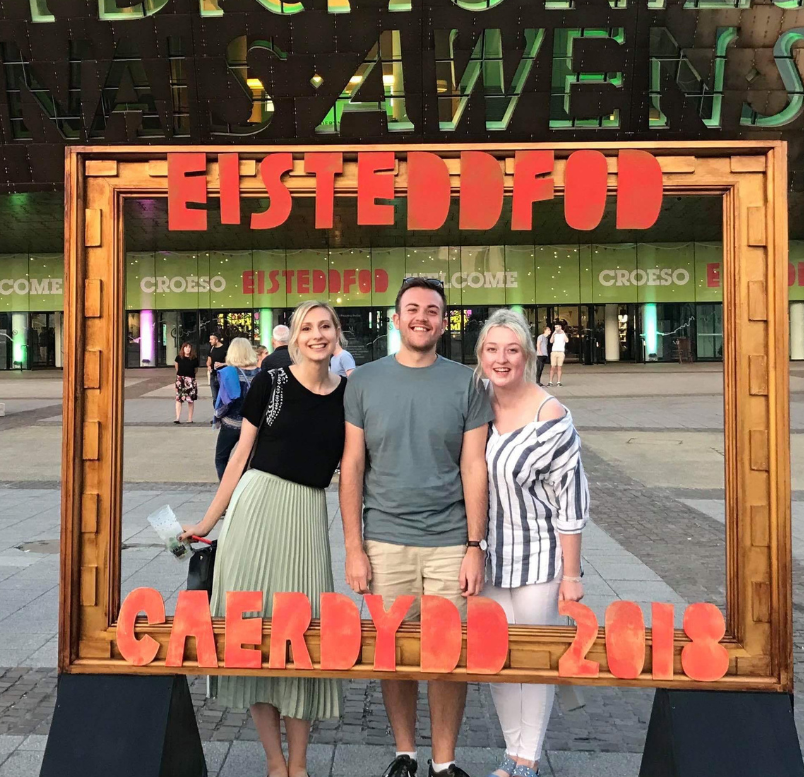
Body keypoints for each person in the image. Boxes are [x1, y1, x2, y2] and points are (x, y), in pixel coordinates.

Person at [181, 301, 348, 777]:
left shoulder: (348, 396)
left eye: (325, 326)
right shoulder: (269, 384)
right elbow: (239, 457)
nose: (317, 335)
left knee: (303, 636)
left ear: (336, 335)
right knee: (253, 631)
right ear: (293, 337)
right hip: (255, 511)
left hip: (308, 516)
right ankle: (276, 763)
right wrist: (210, 520)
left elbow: (356, 467)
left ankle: (299, 764)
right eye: (307, 328)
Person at [341, 276, 491, 777]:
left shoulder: (467, 382)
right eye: (412, 308)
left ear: (443, 321)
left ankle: (443, 761)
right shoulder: (363, 381)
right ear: (395, 319)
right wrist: (353, 547)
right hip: (383, 540)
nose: (421, 317)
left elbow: (474, 466)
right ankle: (404, 753)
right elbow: (353, 466)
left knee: (448, 656)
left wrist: (475, 545)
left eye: (432, 310)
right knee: (395, 654)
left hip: (450, 540)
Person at [475, 310, 589, 777]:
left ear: (528, 355)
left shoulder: (552, 418)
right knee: (496, 658)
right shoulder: (476, 401)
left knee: (532, 658)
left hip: (538, 557)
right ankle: (511, 750)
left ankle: (528, 758)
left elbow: (571, 503)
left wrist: (572, 575)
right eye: (492, 350)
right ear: (480, 355)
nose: (501, 360)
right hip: (485, 556)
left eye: (512, 350)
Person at [212, 338, 260, 480]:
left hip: (231, 424)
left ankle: (227, 489)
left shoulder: (228, 372)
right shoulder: (261, 372)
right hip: (253, 425)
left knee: (221, 458)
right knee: (249, 460)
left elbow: (224, 400)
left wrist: (218, 415)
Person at [174, 341, 199, 425]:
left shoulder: (194, 359)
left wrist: (190, 378)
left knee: (190, 400)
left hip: (190, 380)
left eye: (189, 347)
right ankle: (177, 418)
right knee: (179, 398)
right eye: (186, 347)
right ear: (183, 348)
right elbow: (177, 368)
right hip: (181, 379)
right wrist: (180, 378)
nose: (187, 349)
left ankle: (190, 418)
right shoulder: (179, 357)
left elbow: (196, 370)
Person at [207, 333, 228, 398]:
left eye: (211, 339)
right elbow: (208, 361)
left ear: (216, 340)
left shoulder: (224, 349)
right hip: (213, 375)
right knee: (214, 397)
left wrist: (222, 364)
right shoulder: (211, 349)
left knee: (222, 396)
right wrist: (209, 366)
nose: (210, 341)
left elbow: (229, 362)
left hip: (222, 375)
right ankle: (216, 408)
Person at [548, 322, 568, 387]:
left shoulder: (563, 334)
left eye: (557, 327)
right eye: (555, 327)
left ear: (560, 327)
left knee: (559, 367)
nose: (556, 328)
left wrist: (563, 333)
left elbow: (567, 340)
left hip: (561, 352)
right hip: (554, 351)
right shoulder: (554, 334)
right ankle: (550, 381)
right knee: (552, 367)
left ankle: (558, 382)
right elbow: (551, 341)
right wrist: (553, 334)